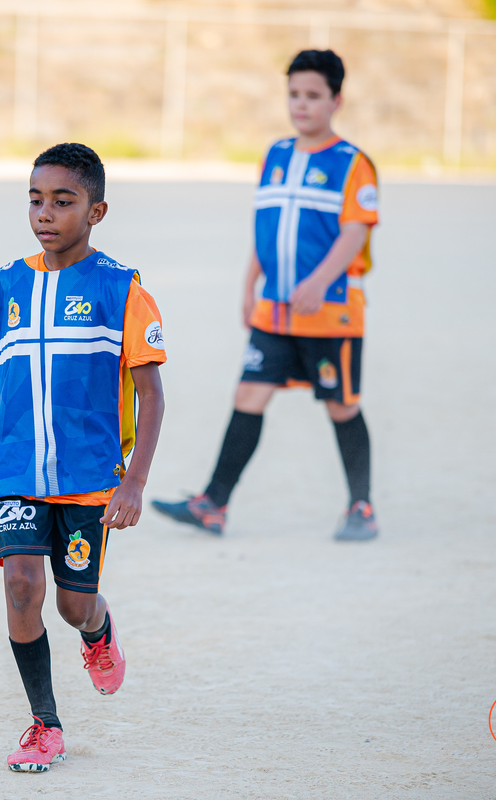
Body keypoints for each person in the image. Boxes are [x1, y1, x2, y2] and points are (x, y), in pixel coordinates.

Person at [0, 143, 167, 773]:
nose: (45, 212)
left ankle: (97, 630)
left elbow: (151, 395)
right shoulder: (5, 286)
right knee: (20, 586)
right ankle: (44, 724)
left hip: (89, 478)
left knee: (71, 605)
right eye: (36, 199)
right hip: (16, 469)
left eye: (63, 201)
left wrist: (134, 483)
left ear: (96, 212)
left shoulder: (121, 290)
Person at [151, 49, 379, 541]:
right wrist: (248, 283)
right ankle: (213, 504)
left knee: (341, 405)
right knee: (248, 394)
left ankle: (361, 507)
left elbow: (355, 232)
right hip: (275, 312)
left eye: (313, 95)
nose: (301, 104)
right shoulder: (275, 156)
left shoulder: (352, 164)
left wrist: (319, 282)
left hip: (330, 313)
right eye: (294, 94)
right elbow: (267, 230)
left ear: (336, 100)